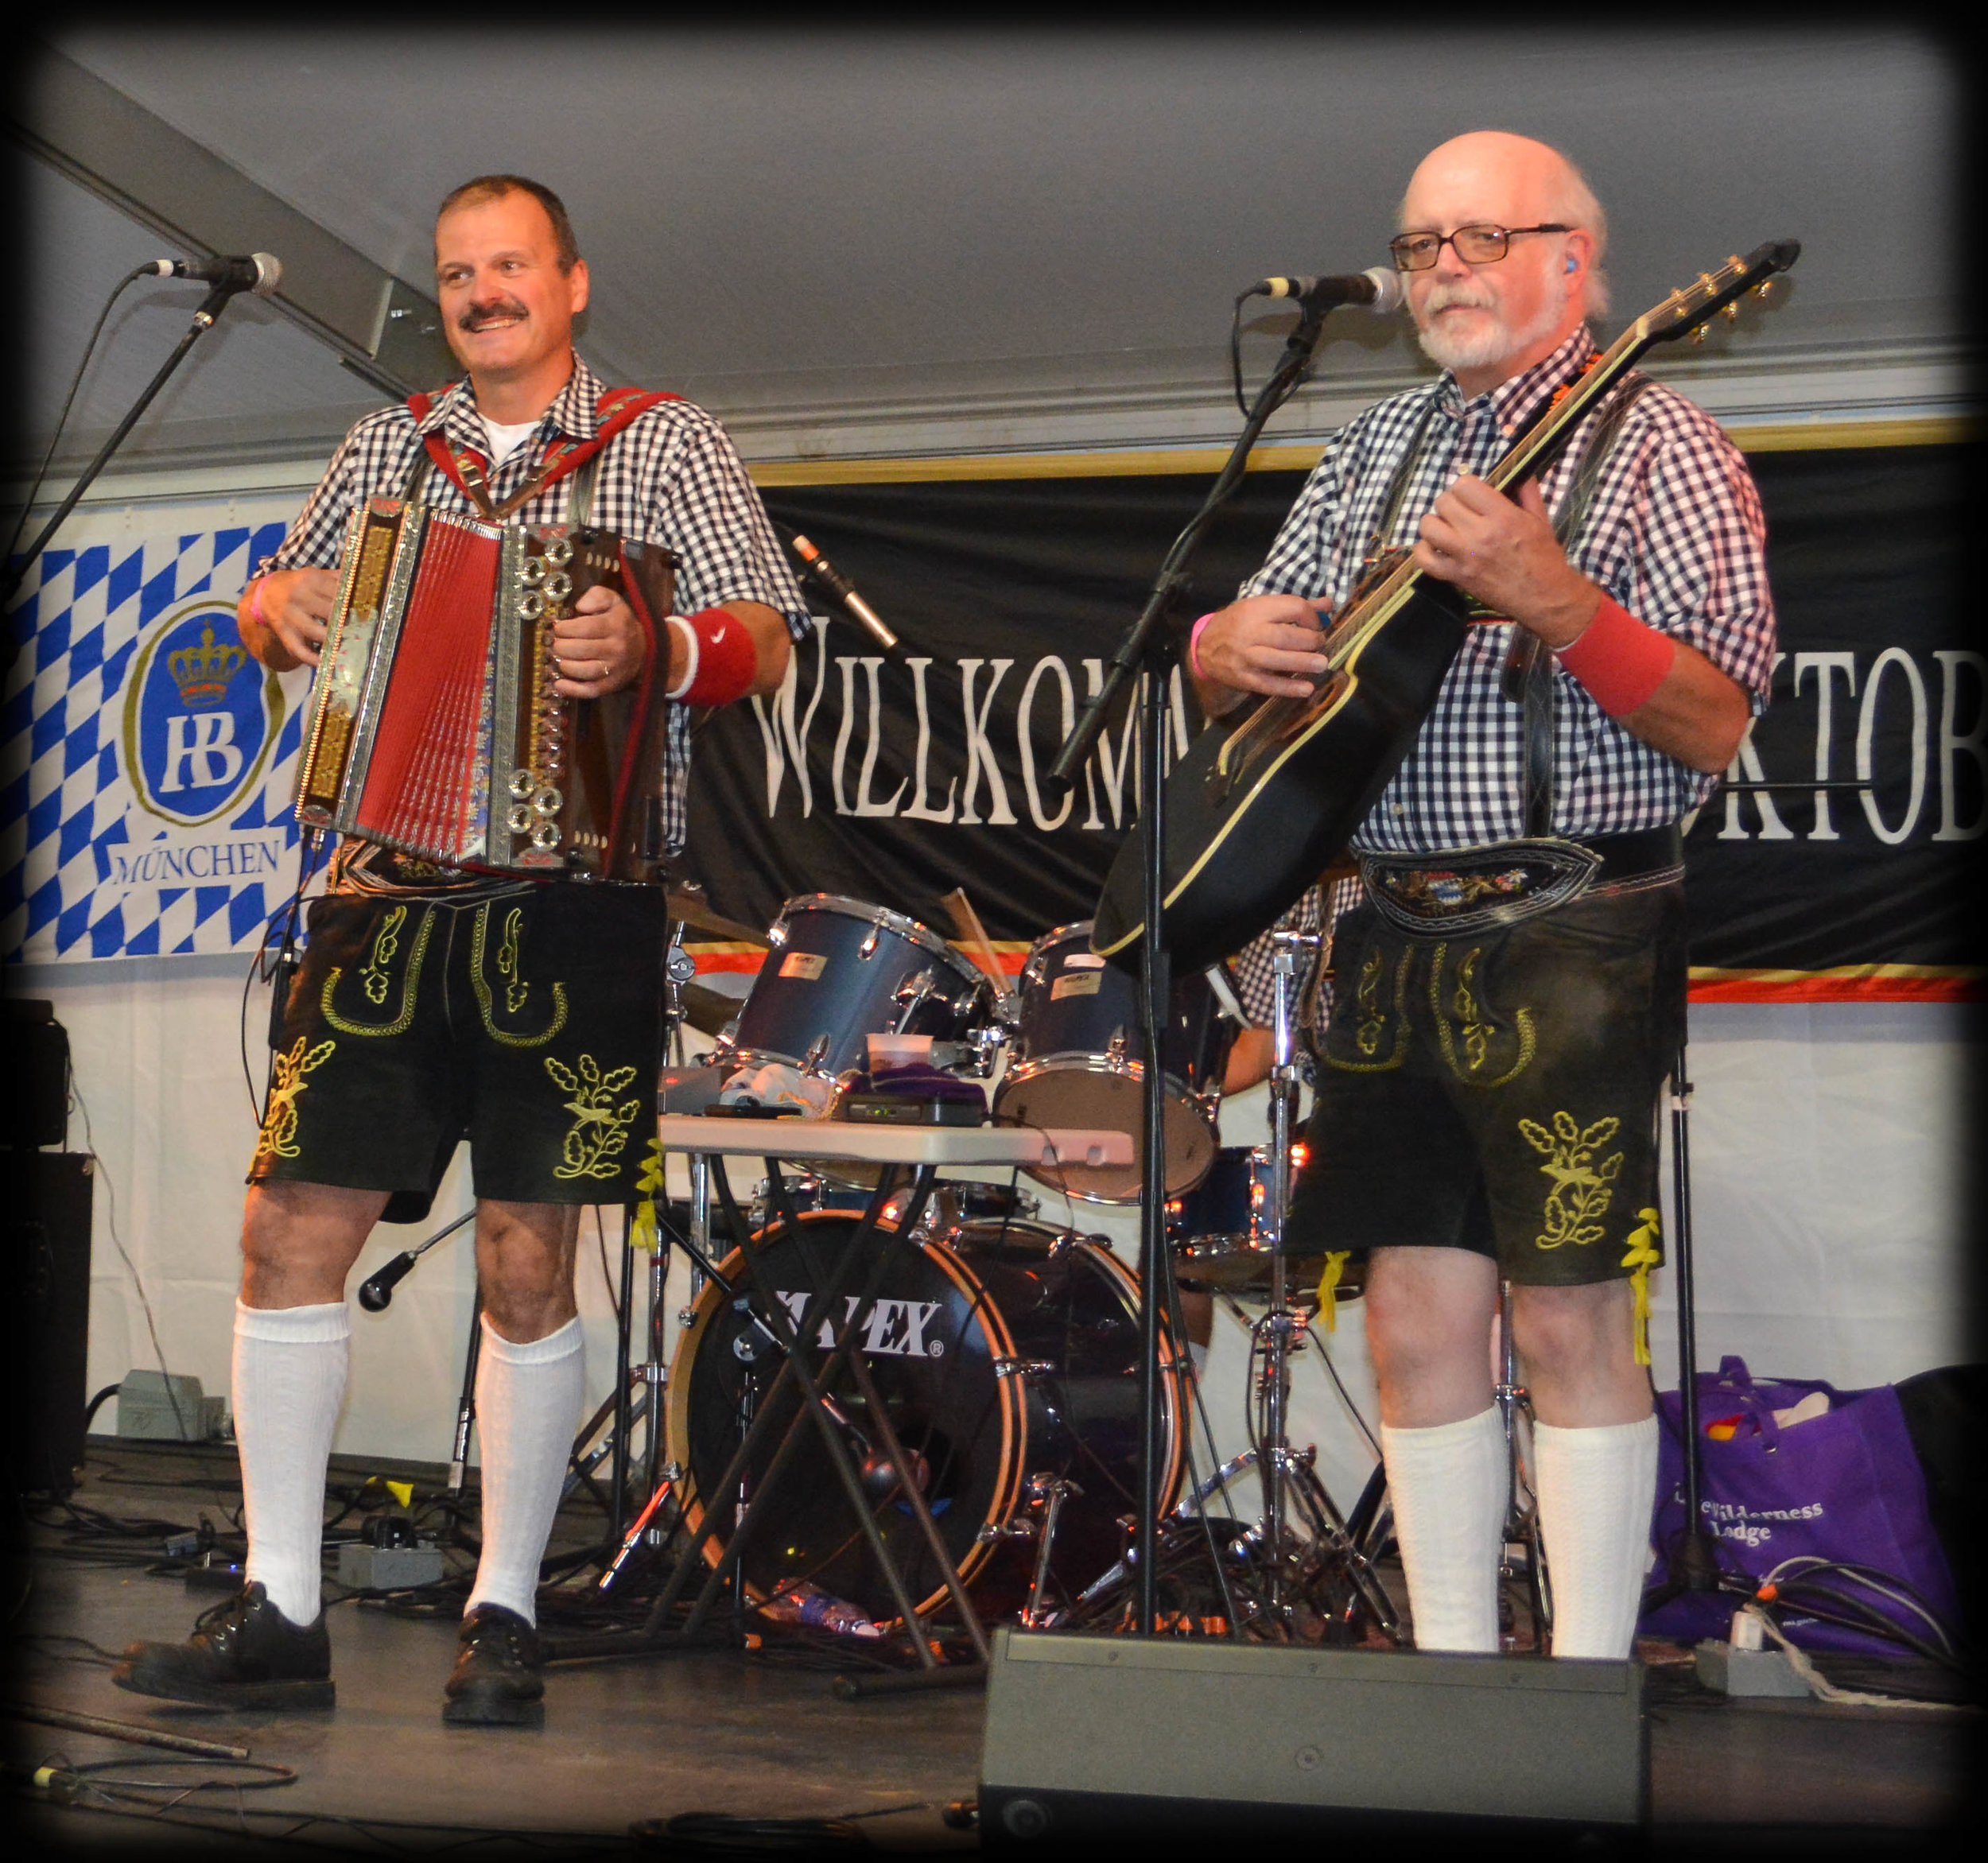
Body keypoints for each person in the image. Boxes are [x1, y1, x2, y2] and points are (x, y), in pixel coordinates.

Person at [115, 176, 809, 1725]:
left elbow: (768, 630)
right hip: (385, 885)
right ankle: (282, 1599)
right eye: (455, 273)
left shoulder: (661, 440)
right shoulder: (387, 446)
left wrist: (657, 645)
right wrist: (270, 605)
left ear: (570, 282)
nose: (480, 292)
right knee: (289, 1230)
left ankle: (504, 1609)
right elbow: (287, 602)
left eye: (508, 266)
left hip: (574, 901)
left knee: (522, 1256)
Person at [1189, 131, 1774, 1659]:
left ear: (1571, 261)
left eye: (1479, 239)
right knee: (1412, 1312)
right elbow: (1272, 659)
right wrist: (1219, 651)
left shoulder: (1665, 446)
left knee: (1570, 1311)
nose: (1440, 268)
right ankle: (1451, 1679)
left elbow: (1717, 723)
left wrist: (1557, 599)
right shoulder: (1372, 443)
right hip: (1390, 927)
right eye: (1423, 243)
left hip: (1576, 924)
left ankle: (1581, 1697)